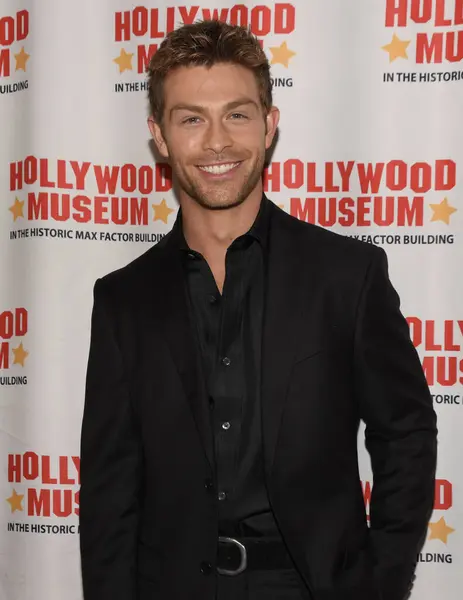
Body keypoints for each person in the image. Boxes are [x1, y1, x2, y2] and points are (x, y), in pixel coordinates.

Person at [79, 19, 437, 600]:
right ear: (160, 136)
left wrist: (380, 581)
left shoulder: (347, 276)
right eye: (192, 118)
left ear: (269, 126)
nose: (217, 141)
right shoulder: (123, 299)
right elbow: (108, 494)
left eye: (237, 114)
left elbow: (407, 433)